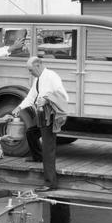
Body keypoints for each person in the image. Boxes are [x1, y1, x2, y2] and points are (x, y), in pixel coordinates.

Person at [12, 57, 69, 192]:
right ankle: (37, 157)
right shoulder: (38, 80)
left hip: (51, 115)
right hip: (42, 115)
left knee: (48, 149)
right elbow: (31, 97)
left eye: (31, 70)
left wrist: (47, 100)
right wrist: (19, 108)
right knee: (31, 133)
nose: (30, 73)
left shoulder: (51, 76)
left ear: (38, 65)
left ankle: (50, 183)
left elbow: (64, 97)